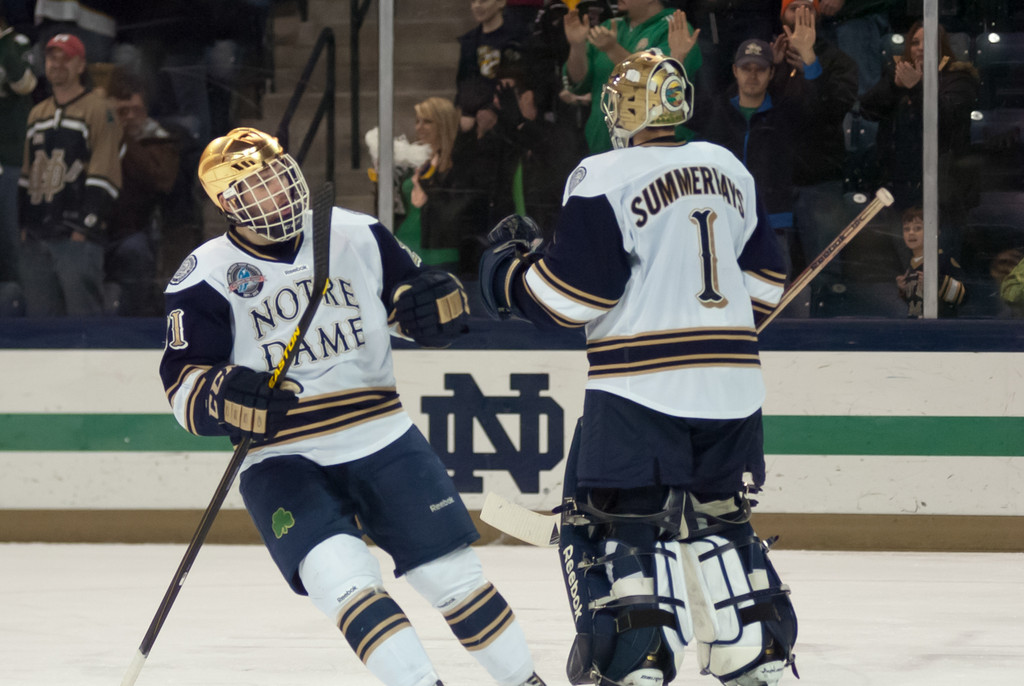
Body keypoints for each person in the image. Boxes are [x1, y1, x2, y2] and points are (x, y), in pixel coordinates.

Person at [159, 127, 548, 686]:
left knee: (454, 578)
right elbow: (184, 387)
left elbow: (412, 302)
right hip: (281, 459)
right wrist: (224, 395)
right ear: (228, 202)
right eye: (259, 184)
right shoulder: (205, 276)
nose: (278, 190)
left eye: (279, 174)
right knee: (344, 579)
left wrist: (432, 310)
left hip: (382, 436)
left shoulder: (357, 232)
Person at [480, 49, 796, 686]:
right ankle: (753, 652)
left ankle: (638, 662)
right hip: (734, 386)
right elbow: (766, 282)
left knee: (619, 524)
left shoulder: (601, 174)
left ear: (621, 110)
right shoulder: (726, 166)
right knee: (719, 516)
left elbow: (574, 299)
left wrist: (510, 275)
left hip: (638, 386)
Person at [18, 32, 122, 317]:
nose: (57, 64)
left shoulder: (99, 110)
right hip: (37, 236)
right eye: (52, 57)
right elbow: (27, 174)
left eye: (67, 58)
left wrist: (84, 228)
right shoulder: (37, 114)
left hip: (76, 237)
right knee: (40, 330)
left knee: (83, 326)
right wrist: (24, 226)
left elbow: (106, 172)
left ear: (81, 65)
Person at [859, 19, 980, 252]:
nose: (921, 48)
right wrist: (894, 87)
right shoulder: (900, 77)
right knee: (909, 268)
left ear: (942, 46)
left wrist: (917, 87)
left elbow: (947, 120)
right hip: (901, 191)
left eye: (929, 41)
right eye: (915, 42)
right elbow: (867, 110)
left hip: (943, 194)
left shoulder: (960, 79)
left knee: (939, 269)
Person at [770, 0, 858, 312]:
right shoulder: (768, 59)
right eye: (794, 6)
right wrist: (771, 73)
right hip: (775, 188)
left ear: (818, 13)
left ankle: (830, 349)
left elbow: (833, 111)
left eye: (809, 6)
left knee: (826, 275)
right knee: (774, 279)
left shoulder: (838, 61)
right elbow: (749, 116)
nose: (802, 12)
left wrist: (810, 62)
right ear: (782, 12)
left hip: (820, 184)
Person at [692, 38, 807, 277]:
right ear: (735, 70)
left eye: (760, 69)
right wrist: (678, 58)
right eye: (746, 68)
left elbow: (822, 107)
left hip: (773, 223)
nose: (752, 76)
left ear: (772, 72)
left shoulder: (785, 113)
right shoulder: (716, 110)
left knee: (775, 303)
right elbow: (676, 108)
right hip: (720, 224)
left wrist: (810, 60)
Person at [562, 0, 702, 154]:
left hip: (653, 153)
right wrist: (577, 46)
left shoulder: (675, 28)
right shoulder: (609, 26)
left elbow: (659, 84)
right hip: (601, 149)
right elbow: (578, 83)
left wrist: (612, 49)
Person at [104, 68, 186, 316]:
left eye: (135, 111)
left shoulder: (160, 140)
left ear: (146, 111)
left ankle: (136, 324)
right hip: (93, 233)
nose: (129, 117)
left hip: (134, 232)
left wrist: (123, 139)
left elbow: (162, 179)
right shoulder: (96, 138)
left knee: (135, 251)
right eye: (121, 112)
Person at [0, 7, 37, 316]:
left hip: (10, 157)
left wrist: (3, 43)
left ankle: (19, 305)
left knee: (11, 238)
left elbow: (24, 83)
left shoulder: (18, 43)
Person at [456, 0, 529, 129]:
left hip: (507, 110)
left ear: (501, 2)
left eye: (483, 1)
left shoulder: (517, 37)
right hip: (474, 113)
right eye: (473, 2)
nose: (477, 6)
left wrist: (490, 109)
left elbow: (514, 79)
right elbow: (463, 80)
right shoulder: (469, 41)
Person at [895, 206, 967, 318]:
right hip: (915, 328)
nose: (911, 233)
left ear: (935, 233)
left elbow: (963, 295)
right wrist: (904, 290)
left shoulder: (943, 260)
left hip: (940, 327)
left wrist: (936, 283)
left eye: (918, 228)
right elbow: (916, 304)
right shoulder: (910, 265)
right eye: (906, 229)